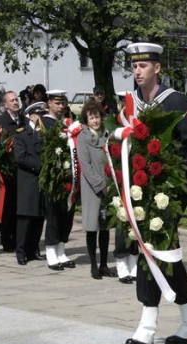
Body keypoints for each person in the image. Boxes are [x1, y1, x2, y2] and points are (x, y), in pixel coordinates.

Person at [122, 42, 187, 344]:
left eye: (143, 66)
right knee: (162, 253)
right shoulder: (132, 105)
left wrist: (164, 171)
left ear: (157, 68)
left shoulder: (175, 101)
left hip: (171, 191)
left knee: (152, 250)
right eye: (134, 66)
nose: (137, 71)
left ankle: (147, 325)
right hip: (140, 189)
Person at [77, 99, 117, 281]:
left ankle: (104, 264)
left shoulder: (106, 135)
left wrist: (110, 184)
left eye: (97, 117)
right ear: (86, 119)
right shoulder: (82, 137)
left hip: (108, 187)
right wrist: (100, 185)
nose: (95, 121)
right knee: (92, 227)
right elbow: (85, 165)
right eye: (91, 118)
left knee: (105, 228)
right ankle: (93, 265)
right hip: (92, 189)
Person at [42, 89, 76, 271]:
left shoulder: (66, 123)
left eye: (63, 103)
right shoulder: (44, 123)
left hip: (68, 176)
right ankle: (51, 251)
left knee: (67, 214)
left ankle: (61, 250)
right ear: (49, 103)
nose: (61, 107)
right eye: (57, 103)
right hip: (54, 177)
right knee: (54, 214)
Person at [13, 102, 47, 266]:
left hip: (41, 181)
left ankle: (34, 249)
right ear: (31, 115)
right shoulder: (21, 133)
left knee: (39, 216)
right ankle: (21, 251)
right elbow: (20, 157)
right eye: (38, 115)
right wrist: (40, 165)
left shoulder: (44, 132)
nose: (41, 118)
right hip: (28, 179)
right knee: (26, 217)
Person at [0, 91, 26, 253]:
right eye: (12, 100)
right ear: (5, 104)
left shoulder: (24, 120)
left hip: (21, 171)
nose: (16, 102)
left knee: (18, 207)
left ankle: (18, 238)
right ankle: (7, 241)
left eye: (17, 99)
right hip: (7, 171)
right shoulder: (0, 122)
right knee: (7, 207)